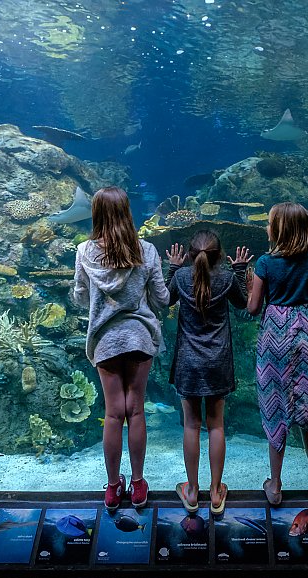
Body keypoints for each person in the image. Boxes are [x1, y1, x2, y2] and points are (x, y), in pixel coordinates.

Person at [72, 186, 170, 511]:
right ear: (128, 212)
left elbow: (80, 297)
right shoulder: (147, 250)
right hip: (139, 337)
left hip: (105, 340)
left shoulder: (84, 251)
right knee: (136, 409)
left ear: (97, 213)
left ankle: (113, 488)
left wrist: (99, 301)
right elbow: (162, 299)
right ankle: (139, 484)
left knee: (114, 413)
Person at [246, 202, 308, 505]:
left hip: (274, 336)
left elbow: (253, 308)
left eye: (269, 223)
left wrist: (251, 285)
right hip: (306, 336)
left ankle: (275, 486)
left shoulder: (265, 263)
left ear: (278, 230)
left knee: (277, 405)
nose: (266, 227)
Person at [164, 230, 252, 515]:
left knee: (191, 425)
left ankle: (191, 491)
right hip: (218, 362)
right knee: (216, 425)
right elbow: (242, 304)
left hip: (188, 363)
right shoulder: (225, 277)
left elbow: (166, 300)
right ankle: (215, 493)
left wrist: (174, 267)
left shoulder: (180, 277)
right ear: (219, 255)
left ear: (189, 254)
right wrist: (239, 269)